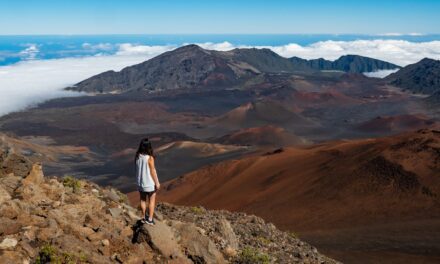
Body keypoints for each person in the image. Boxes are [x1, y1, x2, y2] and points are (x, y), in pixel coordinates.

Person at [135, 138, 160, 225]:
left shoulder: (138, 156)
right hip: (149, 183)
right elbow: (152, 171)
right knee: (151, 201)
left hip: (140, 183)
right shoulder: (150, 158)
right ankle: (150, 219)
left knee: (142, 200)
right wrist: (157, 183)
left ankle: (143, 217)